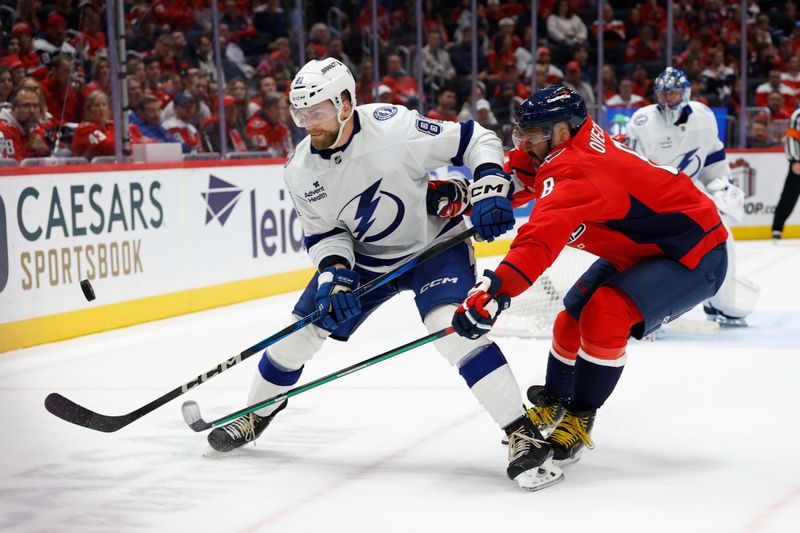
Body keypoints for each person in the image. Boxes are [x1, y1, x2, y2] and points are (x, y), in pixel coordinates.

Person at [204, 58, 563, 492]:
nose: (308, 125)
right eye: (300, 114)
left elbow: (475, 138)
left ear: (344, 104)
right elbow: (324, 234)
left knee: (449, 327)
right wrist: (335, 275)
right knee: (297, 335)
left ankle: (521, 433)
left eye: (315, 112)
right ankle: (257, 411)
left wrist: (488, 182)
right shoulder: (299, 170)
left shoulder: (393, 127)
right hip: (366, 259)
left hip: (433, 246)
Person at [444, 85, 728, 468]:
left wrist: (496, 290)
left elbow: (537, 243)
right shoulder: (563, 145)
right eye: (522, 133)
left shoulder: (576, 170)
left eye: (533, 135)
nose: (525, 143)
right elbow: (520, 172)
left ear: (561, 132)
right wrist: (472, 195)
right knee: (570, 317)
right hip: (643, 248)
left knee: (604, 313)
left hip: (695, 254)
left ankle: (580, 417)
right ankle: (558, 401)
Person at [625, 67, 756, 327]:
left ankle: (720, 300)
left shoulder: (704, 116)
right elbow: (630, 168)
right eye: (662, 94)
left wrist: (722, 186)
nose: (666, 100)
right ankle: (639, 309)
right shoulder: (642, 121)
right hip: (650, 204)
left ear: (685, 93)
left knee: (722, 237)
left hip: (687, 200)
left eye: (672, 94)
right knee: (644, 256)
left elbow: (713, 159)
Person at [771, 108, 800, 241]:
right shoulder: (798, 115)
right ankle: (777, 228)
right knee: (789, 196)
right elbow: (792, 137)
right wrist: (795, 159)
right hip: (799, 162)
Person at [0, 86, 50, 161]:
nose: (32, 111)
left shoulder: (37, 131)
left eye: (35, 106)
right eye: (26, 106)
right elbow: (16, 168)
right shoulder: (3, 132)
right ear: (14, 108)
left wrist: (45, 151)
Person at [71, 90, 116, 159]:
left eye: (104, 104)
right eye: (96, 105)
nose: (101, 108)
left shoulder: (114, 126)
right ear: (88, 111)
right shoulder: (83, 130)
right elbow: (108, 146)